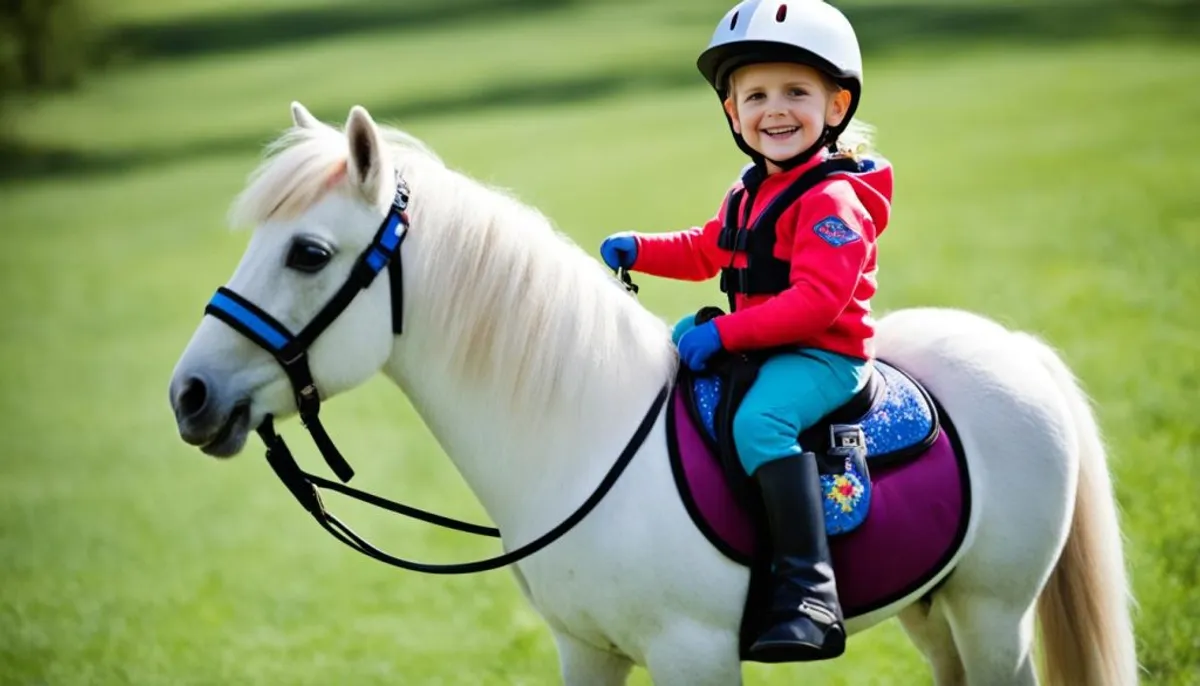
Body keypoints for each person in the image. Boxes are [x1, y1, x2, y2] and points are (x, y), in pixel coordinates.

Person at [599, 0, 893, 664]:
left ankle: (809, 590)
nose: (776, 109)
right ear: (733, 113)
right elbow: (707, 249)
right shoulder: (750, 189)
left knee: (759, 422)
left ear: (837, 105)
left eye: (797, 91)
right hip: (762, 341)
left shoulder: (832, 201)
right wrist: (640, 248)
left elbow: (818, 303)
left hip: (821, 354)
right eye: (756, 94)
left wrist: (728, 336)